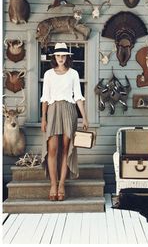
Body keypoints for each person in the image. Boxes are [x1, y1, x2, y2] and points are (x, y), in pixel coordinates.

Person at [40, 42, 88, 201]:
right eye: (58, 55)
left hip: (69, 110)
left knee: (66, 149)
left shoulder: (73, 73)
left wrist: (84, 117)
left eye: (63, 55)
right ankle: (53, 184)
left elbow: (79, 97)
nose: (60, 58)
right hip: (53, 111)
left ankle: (61, 185)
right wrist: (43, 118)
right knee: (52, 149)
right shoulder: (48, 74)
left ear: (67, 57)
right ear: (54, 57)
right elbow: (45, 99)